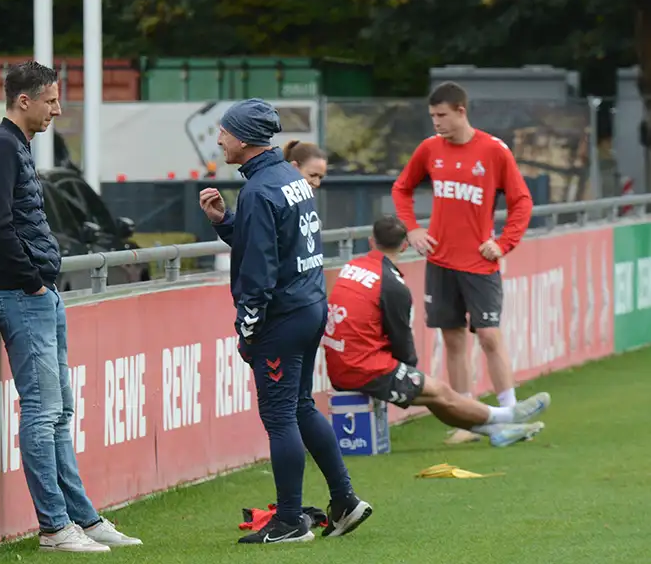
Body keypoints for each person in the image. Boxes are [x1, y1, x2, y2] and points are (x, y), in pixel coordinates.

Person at [0, 61, 141, 553]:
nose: (57, 110)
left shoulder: (13, 146)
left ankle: (82, 520)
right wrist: (31, 282)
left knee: (60, 410)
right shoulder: (1, 147)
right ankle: (54, 527)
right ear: (24, 101)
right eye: (50, 100)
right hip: (23, 295)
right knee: (44, 413)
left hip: (37, 293)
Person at [199, 98, 372, 545]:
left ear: (242, 138)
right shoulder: (290, 177)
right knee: (300, 407)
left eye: (223, 131)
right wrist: (224, 222)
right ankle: (345, 500)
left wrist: (248, 327)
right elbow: (273, 243)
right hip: (310, 305)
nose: (218, 139)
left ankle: (291, 520)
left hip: (282, 314)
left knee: (279, 417)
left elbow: (258, 269)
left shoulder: (258, 190)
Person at [323, 215, 551, 447]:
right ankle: (507, 415)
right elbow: (402, 341)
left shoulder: (351, 267)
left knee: (433, 397)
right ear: (404, 245)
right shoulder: (392, 285)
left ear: (371, 242)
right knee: (439, 391)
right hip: (363, 368)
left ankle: (496, 432)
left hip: (340, 363)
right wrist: (410, 368)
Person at [391, 81, 534, 445]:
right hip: (440, 260)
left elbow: (521, 201)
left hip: (479, 262)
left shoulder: (493, 151)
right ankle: (469, 420)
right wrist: (413, 229)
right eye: (432, 116)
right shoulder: (429, 149)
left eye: (441, 115)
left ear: (460, 111)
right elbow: (402, 188)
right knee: (452, 339)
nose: (436, 122)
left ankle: (510, 409)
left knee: (488, 336)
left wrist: (503, 243)